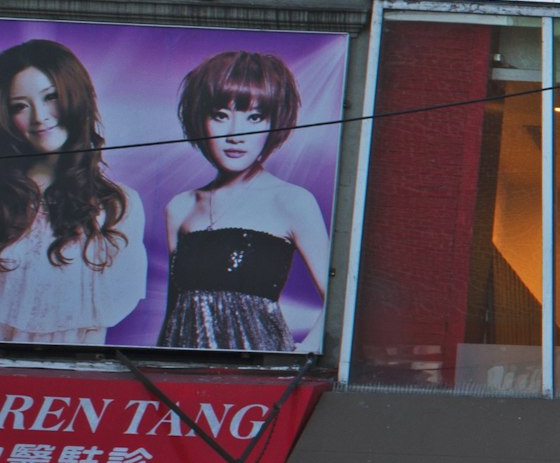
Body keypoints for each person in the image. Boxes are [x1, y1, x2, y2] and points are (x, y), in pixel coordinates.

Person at [158, 49, 331, 352]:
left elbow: (340, 298)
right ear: (200, 120)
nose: (236, 134)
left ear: (273, 123)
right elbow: (173, 314)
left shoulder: (292, 201)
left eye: (255, 117)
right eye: (221, 116)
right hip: (183, 369)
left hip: (256, 373)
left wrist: (304, 354)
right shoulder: (180, 206)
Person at [0, 38, 142, 344]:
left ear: (75, 97)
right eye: (20, 106)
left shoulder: (118, 205)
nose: (39, 117)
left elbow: (105, 317)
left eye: (50, 97)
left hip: (75, 382)